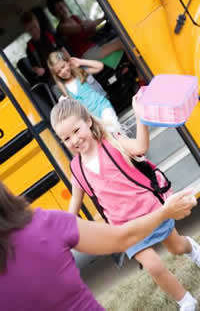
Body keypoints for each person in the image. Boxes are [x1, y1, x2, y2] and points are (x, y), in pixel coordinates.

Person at [50, 97, 200, 311]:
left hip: (151, 212)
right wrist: (63, 230)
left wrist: (140, 117)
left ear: (88, 122)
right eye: (66, 138)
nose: (73, 140)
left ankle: (192, 249)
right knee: (154, 266)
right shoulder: (77, 169)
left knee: (176, 247)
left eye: (76, 130)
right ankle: (186, 301)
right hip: (125, 228)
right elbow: (75, 201)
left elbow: (140, 147)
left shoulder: (112, 143)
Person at [0, 180, 197, 311]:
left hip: (131, 215)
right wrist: (164, 212)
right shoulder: (45, 224)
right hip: (123, 223)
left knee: (174, 248)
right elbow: (122, 238)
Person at [48, 51, 120, 132]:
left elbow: (100, 66)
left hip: (102, 107)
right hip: (90, 119)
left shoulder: (80, 72)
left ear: (68, 62)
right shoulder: (61, 89)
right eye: (58, 72)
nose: (63, 72)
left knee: (114, 131)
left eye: (63, 66)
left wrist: (80, 62)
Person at [46, 0, 124, 60]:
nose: (61, 12)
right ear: (54, 14)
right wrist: (103, 18)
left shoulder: (74, 18)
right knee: (122, 43)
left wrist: (93, 27)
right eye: (57, 11)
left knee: (121, 40)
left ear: (64, 4)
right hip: (85, 55)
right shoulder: (62, 28)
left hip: (93, 47)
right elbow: (83, 28)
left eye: (61, 7)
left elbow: (89, 30)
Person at [20, 11, 70, 86]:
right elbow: (34, 67)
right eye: (30, 29)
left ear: (38, 23)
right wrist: (37, 70)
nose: (34, 31)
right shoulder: (29, 48)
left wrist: (71, 63)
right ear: (26, 31)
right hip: (51, 79)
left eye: (35, 26)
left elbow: (63, 50)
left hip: (64, 68)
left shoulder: (50, 35)